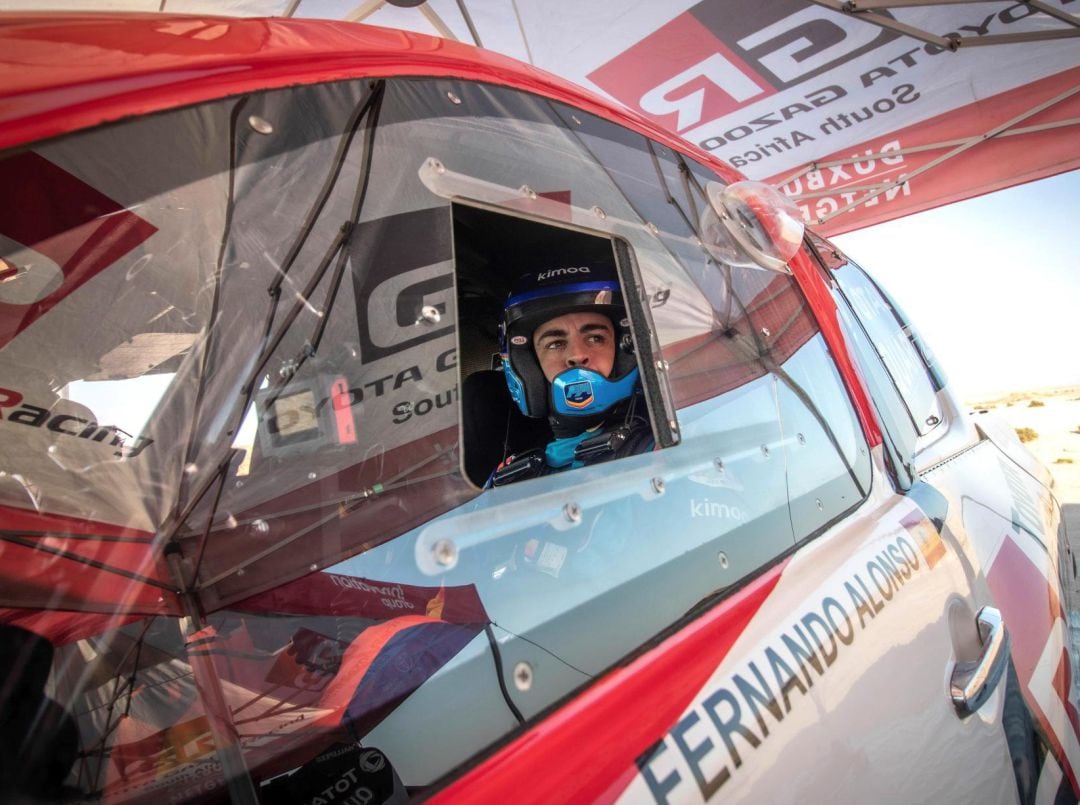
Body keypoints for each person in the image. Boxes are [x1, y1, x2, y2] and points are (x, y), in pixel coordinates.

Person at [488, 261, 653, 486]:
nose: (577, 355)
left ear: (624, 350)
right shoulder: (509, 480)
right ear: (531, 366)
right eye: (555, 343)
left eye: (595, 338)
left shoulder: (662, 450)